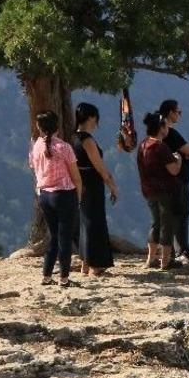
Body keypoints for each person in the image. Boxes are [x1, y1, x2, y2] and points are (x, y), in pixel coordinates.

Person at [29, 110, 83, 287]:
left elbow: (34, 168)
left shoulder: (36, 146)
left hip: (45, 194)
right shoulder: (64, 147)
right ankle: (64, 278)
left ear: (39, 127)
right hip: (64, 195)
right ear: (57, 126)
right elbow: (75, 177)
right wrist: (79, 197)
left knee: (54, 236)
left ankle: (46, 275)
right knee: (65, 238)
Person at [71, 102, 118, 276]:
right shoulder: (87, 140)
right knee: (95, 223)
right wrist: (112, 185)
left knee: (85, 222)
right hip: (92, 182)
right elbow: (100, 166)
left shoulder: (73, 137)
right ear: (91, 118)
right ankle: (95, 265)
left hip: (80, 182)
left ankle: (85, 262)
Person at [137, 112, 183, 270]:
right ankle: (165, 261)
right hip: (164, 190)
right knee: (166, 224)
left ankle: (150, 259)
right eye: (165, 125)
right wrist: (178, 160)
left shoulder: (143, 144)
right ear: (161, 128)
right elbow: (174, 170)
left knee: (156, 223)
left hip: (148, 190)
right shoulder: (160, 147)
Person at [159, 99, 189, 260]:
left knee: (178, 213)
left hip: (175, 180)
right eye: (178, 112)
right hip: (177, 180)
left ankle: (181, 247)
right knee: (179, 213)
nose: (180, 115)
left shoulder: (163, 134)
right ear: (170, 113)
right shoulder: (171, 134)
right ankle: (180, 248)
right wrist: (184, 154)